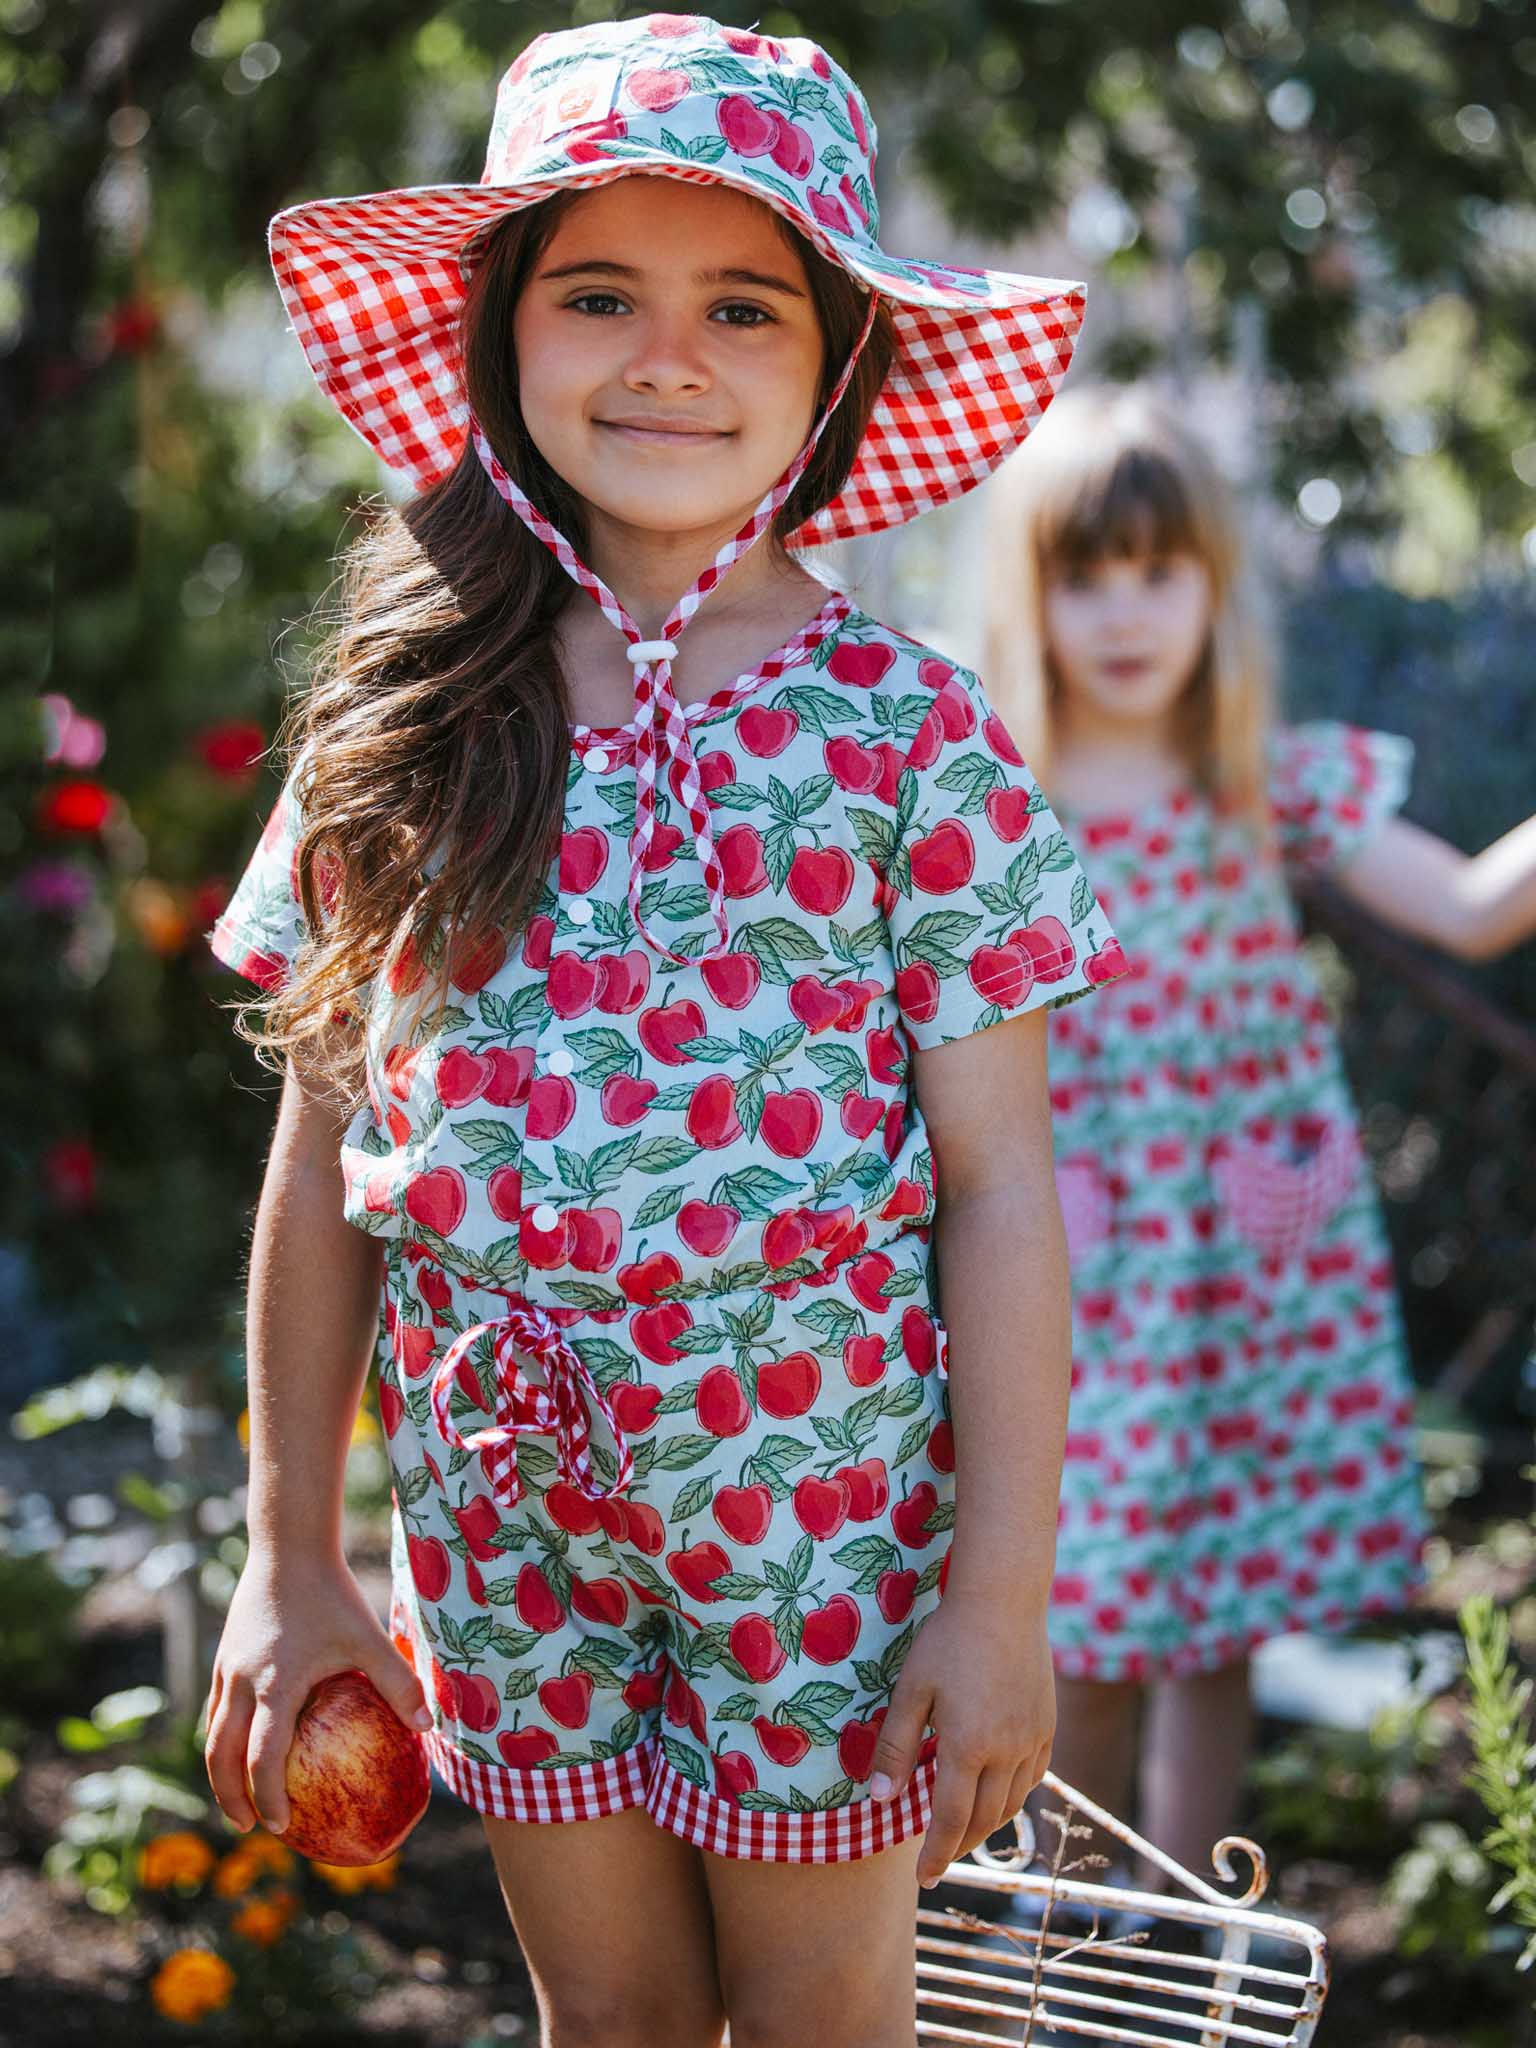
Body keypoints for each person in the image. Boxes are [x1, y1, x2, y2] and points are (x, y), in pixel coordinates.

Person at [202, 17, 1127, 2044]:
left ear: (839, 363)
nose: (667, 357)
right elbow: (322, 1158)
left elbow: (996, 1187)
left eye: (744, 305)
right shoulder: (413, 719)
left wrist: (994, 1596)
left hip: (819, 1525)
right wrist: (293, 1554)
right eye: (599, 292)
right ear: (499, 332)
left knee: (815, 2024)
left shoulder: (904, 736)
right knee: (606, 2017)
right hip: (503, 1521)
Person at [981, 381, 1536, 1886]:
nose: (1122, 610)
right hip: (1080, 1273)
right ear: (1028, 595)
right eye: (1083, 573)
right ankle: (1049, 1932)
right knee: (1083, 1631)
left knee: (1209, 1627)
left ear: (1215, 583)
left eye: (1157, 570)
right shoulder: (994, 801)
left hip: (1245, 1265)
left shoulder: (1259, 784)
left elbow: (1477, 907)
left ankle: (1187, 1934)